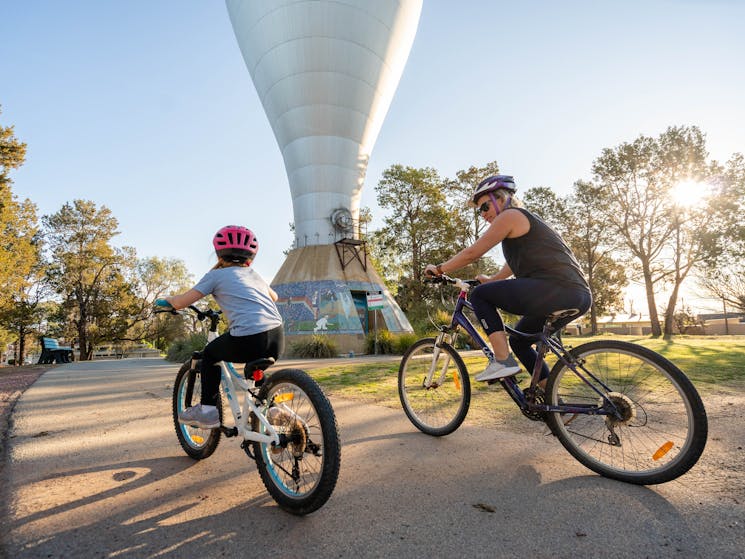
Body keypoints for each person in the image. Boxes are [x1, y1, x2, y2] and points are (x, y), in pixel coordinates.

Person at [424, 175, 591, 385]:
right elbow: (514, 264)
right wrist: (493, 279)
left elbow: (472, 253)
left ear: (501, 199)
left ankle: (503, 361)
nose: (483, 214)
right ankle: (554, 405)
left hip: (557, 288)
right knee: (519, 340)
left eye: (485, 207)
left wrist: (439, 269)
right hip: (574, 294)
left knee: (480, 296)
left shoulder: (510, 215)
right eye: (479, 211)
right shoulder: (523, 224)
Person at [155, 225, 284, 429]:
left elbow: (181, 302)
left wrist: (168, 300)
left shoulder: (216, 276)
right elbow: (274, 297)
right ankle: (274, 408)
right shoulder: (253, 274)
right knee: (256, 365)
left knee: (210, 354)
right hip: (276, 337)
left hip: (249, 337)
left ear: (219, 254)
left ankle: (207, 410)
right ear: (250, 257)